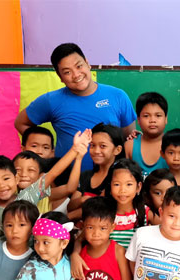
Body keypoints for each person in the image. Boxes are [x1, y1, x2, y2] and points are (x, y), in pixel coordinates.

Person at [15, 43, 137, 172]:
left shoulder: (118, 96)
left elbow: (128, 138)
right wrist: (44, 150)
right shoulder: (51, 101)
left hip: (109, 179)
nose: (76, 75)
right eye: (67, 72)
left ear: (87, 63)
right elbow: (21, 123)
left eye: (79, 66)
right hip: (65, 180)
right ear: (60, 77)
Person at [68, 123, 126, 220]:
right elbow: (70, 207)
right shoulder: (86, 175)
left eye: (103, 146)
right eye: (92, 145)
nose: (96, 151)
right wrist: (83, 199)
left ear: (117, 150)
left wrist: (66, 218)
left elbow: (99, 209)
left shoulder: (118, 178)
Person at [125, 92, 170, 178]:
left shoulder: (173, 146)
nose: (152, 120)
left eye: (158, 115)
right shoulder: (130, 146)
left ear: (166, 119)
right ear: (138, 120)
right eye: (146, 116)